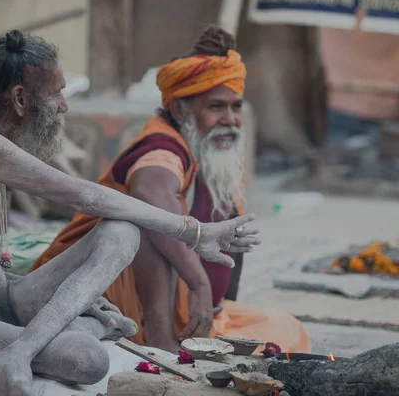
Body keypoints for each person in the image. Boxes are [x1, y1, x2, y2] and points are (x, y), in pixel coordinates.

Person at [0, 29, 260, 396]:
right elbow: (86, 196)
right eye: (57, 93)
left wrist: (76, 295)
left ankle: (27, 348)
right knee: (87, 359)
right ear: (20, 99)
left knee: (122, 231)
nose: (64, 105)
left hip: (4, 296)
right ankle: (26, 352)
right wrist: (194, 233)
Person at [31, 25, 311, 354]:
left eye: (236, 107)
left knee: (287, 333)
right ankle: (159, 342)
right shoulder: (161, 147)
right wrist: (199, 282)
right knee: (150, 219)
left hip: (186, 315)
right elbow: (151, 197)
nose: (231, 119)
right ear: (180, 110)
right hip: (93, 302)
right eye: (217, 107)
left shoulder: (201, 149)